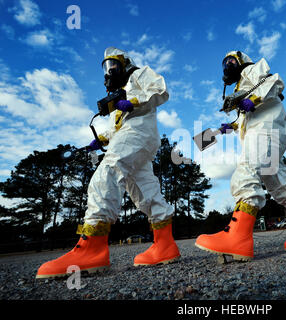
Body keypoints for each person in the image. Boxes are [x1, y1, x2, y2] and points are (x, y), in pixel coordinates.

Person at [36, 47, 180, 279]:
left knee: (108, 172)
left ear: (124, 64)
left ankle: (93, 248)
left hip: (139, 132)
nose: (109, 70)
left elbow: (160, 91)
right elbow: (116, 128)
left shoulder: (139, 74)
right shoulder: (120, 93)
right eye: (106, 67)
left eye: (113, 65)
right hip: (135, 136)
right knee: (145, 190)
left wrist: (131, 101)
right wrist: (100, 138)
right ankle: (165, 245)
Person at [194, 51, 286, 261]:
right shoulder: (241, 86)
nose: (227, 65)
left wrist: (253, 100)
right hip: (266, 129)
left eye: (231, 61)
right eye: (225, 62)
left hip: (267, 129)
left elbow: (275, 83)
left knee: (248, 168)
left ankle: (238, 237)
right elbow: (249, 113)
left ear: (242, 61)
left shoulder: (252, 70)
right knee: (280, 184)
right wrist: (232, 125)